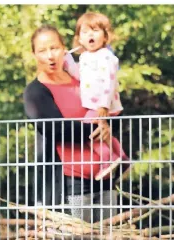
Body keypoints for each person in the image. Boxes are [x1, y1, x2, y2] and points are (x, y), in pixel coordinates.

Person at [23, 25, 120, 228]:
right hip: (69, 184)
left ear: (64, 49)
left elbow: (103, 110)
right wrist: (93, 130)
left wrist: (105, 126)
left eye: (55, 48)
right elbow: (54, 128)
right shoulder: (35, 92)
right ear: (34, 55)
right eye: (42, 50)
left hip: (104, 179)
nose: (51, 56)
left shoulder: (82, 81)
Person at [63, 12, 128, 181]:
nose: (90, 35)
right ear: (79, 39)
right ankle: (123, 158)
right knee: (102, 132)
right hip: (94, 105)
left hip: (102, 105)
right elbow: (79, 75)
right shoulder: (85, 57)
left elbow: (109, 81)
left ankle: (108, 160)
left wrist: (103, 105)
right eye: (85, 32)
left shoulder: (106, 57)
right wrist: (68, 62)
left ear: (105, 36)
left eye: (95, 30)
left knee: (89, 132)